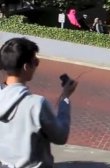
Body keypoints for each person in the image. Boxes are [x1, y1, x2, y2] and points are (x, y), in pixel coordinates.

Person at [0, 37, 78, 168]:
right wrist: (65, 97)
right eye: (35, 61)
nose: (36, 65)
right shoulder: (36, 104)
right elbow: (61, 136)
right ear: (26, 67)